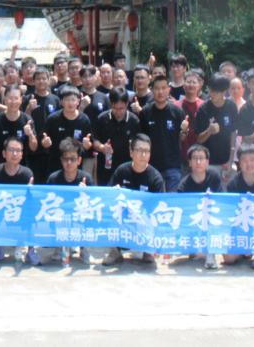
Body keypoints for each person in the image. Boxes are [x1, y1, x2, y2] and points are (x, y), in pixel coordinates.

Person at [103, 134, 164, 266]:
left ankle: (148, 251)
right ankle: (115, 251)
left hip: (144, 219)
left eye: (147, 151)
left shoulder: (156, 178)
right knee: (111, 212)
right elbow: (108, 194)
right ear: (131, 152)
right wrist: (114, 192)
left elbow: (159, 207)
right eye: (139, 150)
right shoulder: (121, 171)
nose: (143, 155)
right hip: (124, 216)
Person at [0, 136, 35, 263]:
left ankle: (29, 250)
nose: (15, 154)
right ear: (4, 153)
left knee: (31, 212)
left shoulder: (27, 174)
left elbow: (29, 201)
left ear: (22, 154)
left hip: (18, 211)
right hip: (0, 210)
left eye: (18, 151)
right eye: (11, 150)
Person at [138, 73, 187, 190]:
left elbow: (182, 138)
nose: (160, 92)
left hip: (172, 165)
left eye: (163, 88)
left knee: (172, 198)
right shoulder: (145, 112)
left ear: (169, 90)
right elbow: (141, 139)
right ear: (152, 90)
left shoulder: (177, 112)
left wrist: (184, 131)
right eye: (157, 88)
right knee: (151, 198)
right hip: (151, 165)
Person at [177, 144, 222, 269]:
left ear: (207, 162)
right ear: (189, 162)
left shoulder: (214, 177)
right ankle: (200, 251)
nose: (198, 162)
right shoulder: (183, 185)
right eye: (195, 158)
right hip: (193, 223)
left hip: (211, 220)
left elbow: (220, 201)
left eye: (201, 158)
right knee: (188, 250)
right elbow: (182, 212)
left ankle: (210, 252)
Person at [194, 74, 238, 184]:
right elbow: (199, 139)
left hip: (226, 161)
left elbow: (233, 133)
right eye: (211, 90)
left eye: (216, 92)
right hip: (208, 162)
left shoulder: (231, 106)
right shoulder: (203, 109)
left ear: (224, 92)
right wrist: (209, 131)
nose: (212, 94)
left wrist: (231, 160)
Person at [42, 86, 93, 175]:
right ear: (61, 102)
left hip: (75, 166)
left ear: (78, 101)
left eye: (73, 100)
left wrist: (87, 145)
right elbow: (43, 140)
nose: (70, 103)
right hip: (55, 164)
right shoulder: (52, 119)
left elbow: (89, 144)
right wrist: (44, 143)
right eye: (67, 100)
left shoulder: (84, 120)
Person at [94, 88, 139, 186]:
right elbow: (94, 139)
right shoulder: (102, 119)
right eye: (115, 108)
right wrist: (102, 147)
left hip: (127, 168)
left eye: (121, 108)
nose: (118, 112)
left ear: (127, 104)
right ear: (111, 104)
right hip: (106, 168)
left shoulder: (134, 121)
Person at [24, 67, 60, 183]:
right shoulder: (27, 98)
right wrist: (29, 109)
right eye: (38, 79)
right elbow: (22, 119)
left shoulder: (55, 99)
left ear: (49, 80)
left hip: (52, 147)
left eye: (44, 78)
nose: (41, 81)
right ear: (34, 81)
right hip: (33, 147)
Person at [0, 84, 36, 168]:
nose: (13, 102)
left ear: (21, 100)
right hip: (2, 167)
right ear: (5, 99)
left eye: (16, 98)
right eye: (10, 98)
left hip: (22, 168)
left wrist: (30, 134)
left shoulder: (27, 120)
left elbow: (34, 148)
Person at [176, 70, 204, 158]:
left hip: (199, 153)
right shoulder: (176, 105)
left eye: (194, 82)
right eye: (188, 82)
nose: (191, 85)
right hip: (179, 152)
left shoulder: (204, 106)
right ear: (183, 85)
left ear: (199, 86)